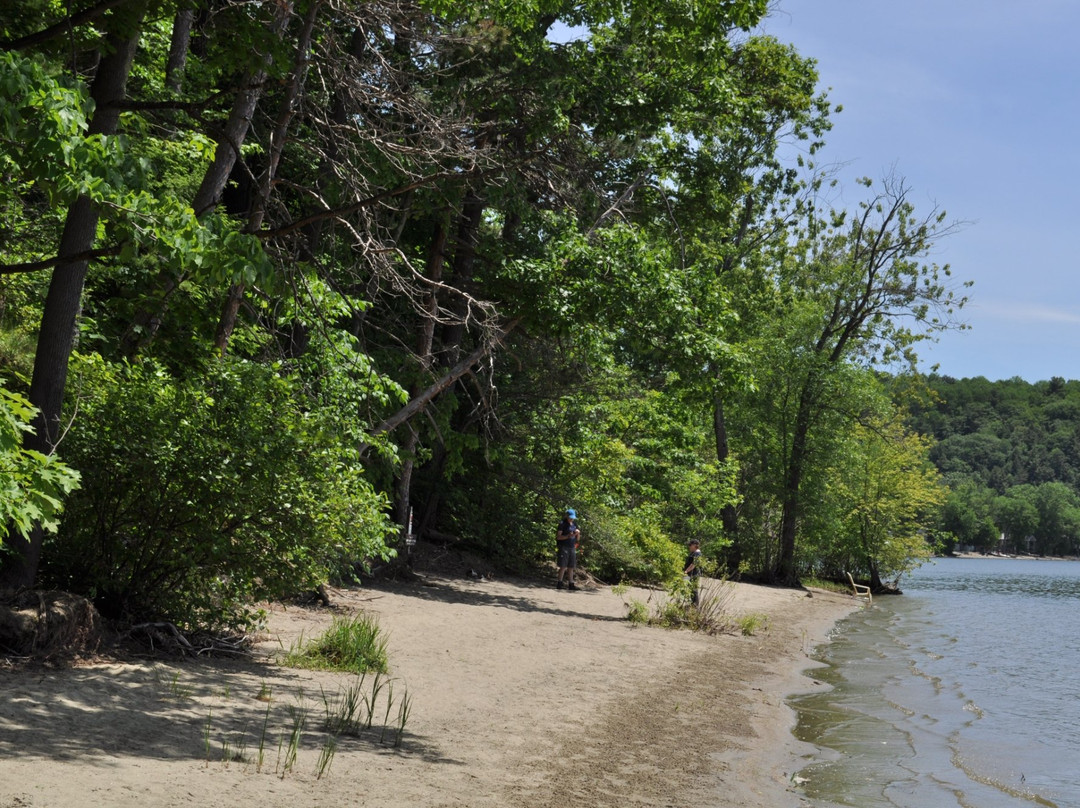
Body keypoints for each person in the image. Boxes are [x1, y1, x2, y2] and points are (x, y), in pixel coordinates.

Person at [555, 509, 580, 590]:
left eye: (572, 518)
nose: (571, 519)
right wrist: (568, 536)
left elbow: (578, 539)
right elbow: (558, 537)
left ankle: (571, 584)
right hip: (563, 546)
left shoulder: (574, 524)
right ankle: (559, 583)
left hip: (572, 546)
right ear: (566, 516)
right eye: (570, 518)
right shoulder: (562, 524)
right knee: (563, 566)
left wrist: (577, 533)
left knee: (571, 566)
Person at [684, 539, 702, 606]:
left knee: (693, 588)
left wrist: (686, 571)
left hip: (694, 574)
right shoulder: (693, 553)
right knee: (690, 588)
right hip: (690, 574)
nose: (689, 546)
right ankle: (692, 603)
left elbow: (693, 564)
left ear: (695, 545)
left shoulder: (697, 553)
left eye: (690, 545)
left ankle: (695, 604)